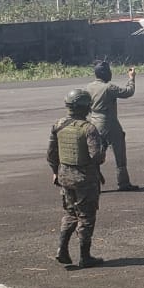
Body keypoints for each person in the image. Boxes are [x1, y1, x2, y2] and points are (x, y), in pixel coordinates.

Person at [47, 88, 107, 268]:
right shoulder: (88, 128)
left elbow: (51, 154)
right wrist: (103, 146)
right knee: (86, 216)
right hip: (84, 179)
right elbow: (97, 157)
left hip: (65, 176)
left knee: (70, 213)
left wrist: (55, 172)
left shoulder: (58, 125)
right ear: (85, 107)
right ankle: (85, 256)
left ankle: (62, 249)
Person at [86, 60, 138, 191]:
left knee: (95, 154)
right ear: (105, 73)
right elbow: (128, 92)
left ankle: (95, 184)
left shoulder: (89, 87)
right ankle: (123, 182)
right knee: (119, 151)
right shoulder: (109, 87)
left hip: (93, 122)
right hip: (109, 122)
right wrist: (131, 79)